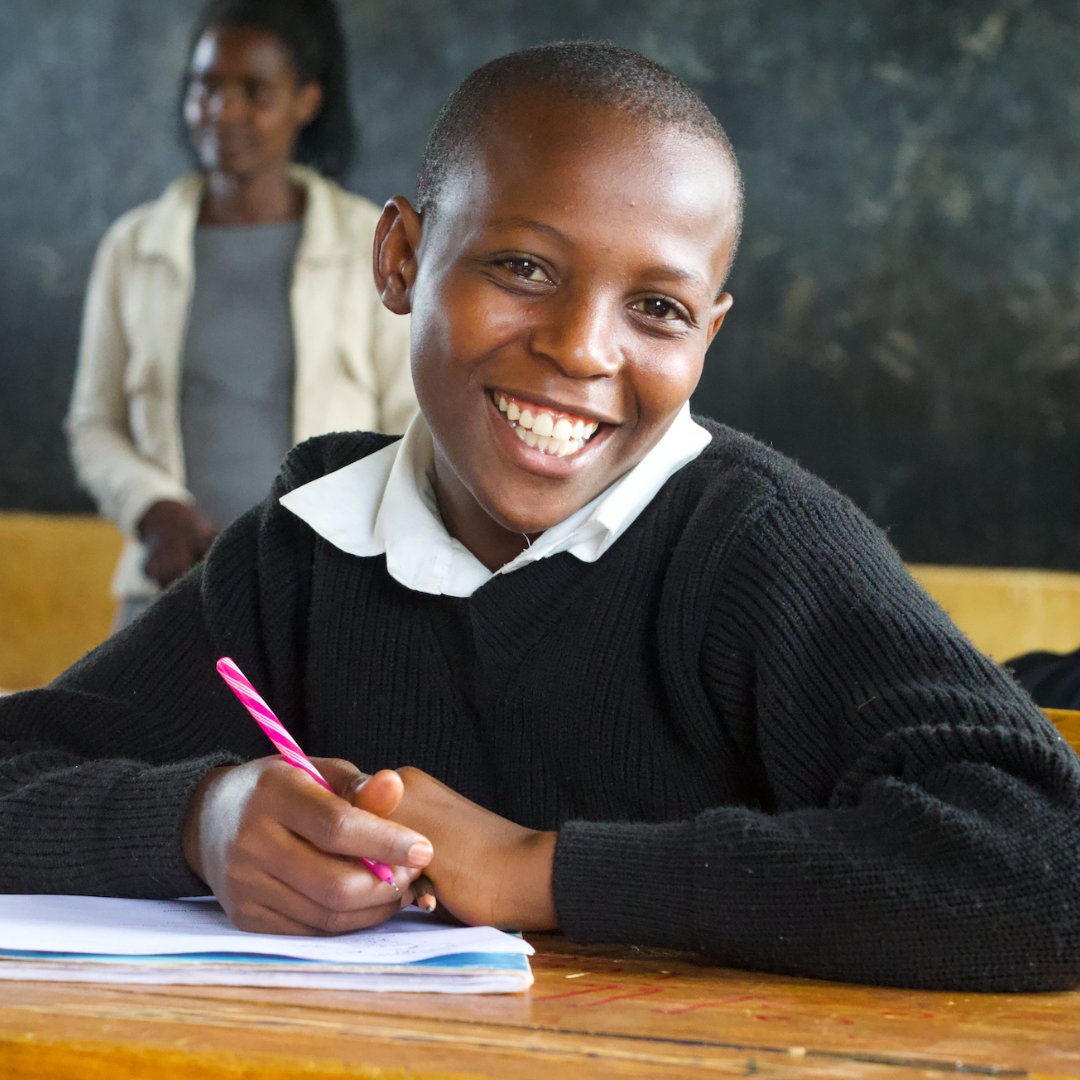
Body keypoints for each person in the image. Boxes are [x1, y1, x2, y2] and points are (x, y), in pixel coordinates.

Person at [6, 42, 1080, 993]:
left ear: (709, 335)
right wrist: (206, 822)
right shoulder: (309, 548)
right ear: (401, 260)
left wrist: (541, 870)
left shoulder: (755, 546)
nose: (580, 348)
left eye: (655, 308)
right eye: (522, 267)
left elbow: (1045, 864)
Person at [65, 0, 416, 626]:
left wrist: (327, 538)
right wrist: (153, 510)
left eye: (255, 91)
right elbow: (95, 423)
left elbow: (411, 424)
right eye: (206, 88)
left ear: (306, 100)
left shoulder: (370, 242)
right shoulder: (135, 246)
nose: (223, 112)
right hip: (167, 593)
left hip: (325, 595)